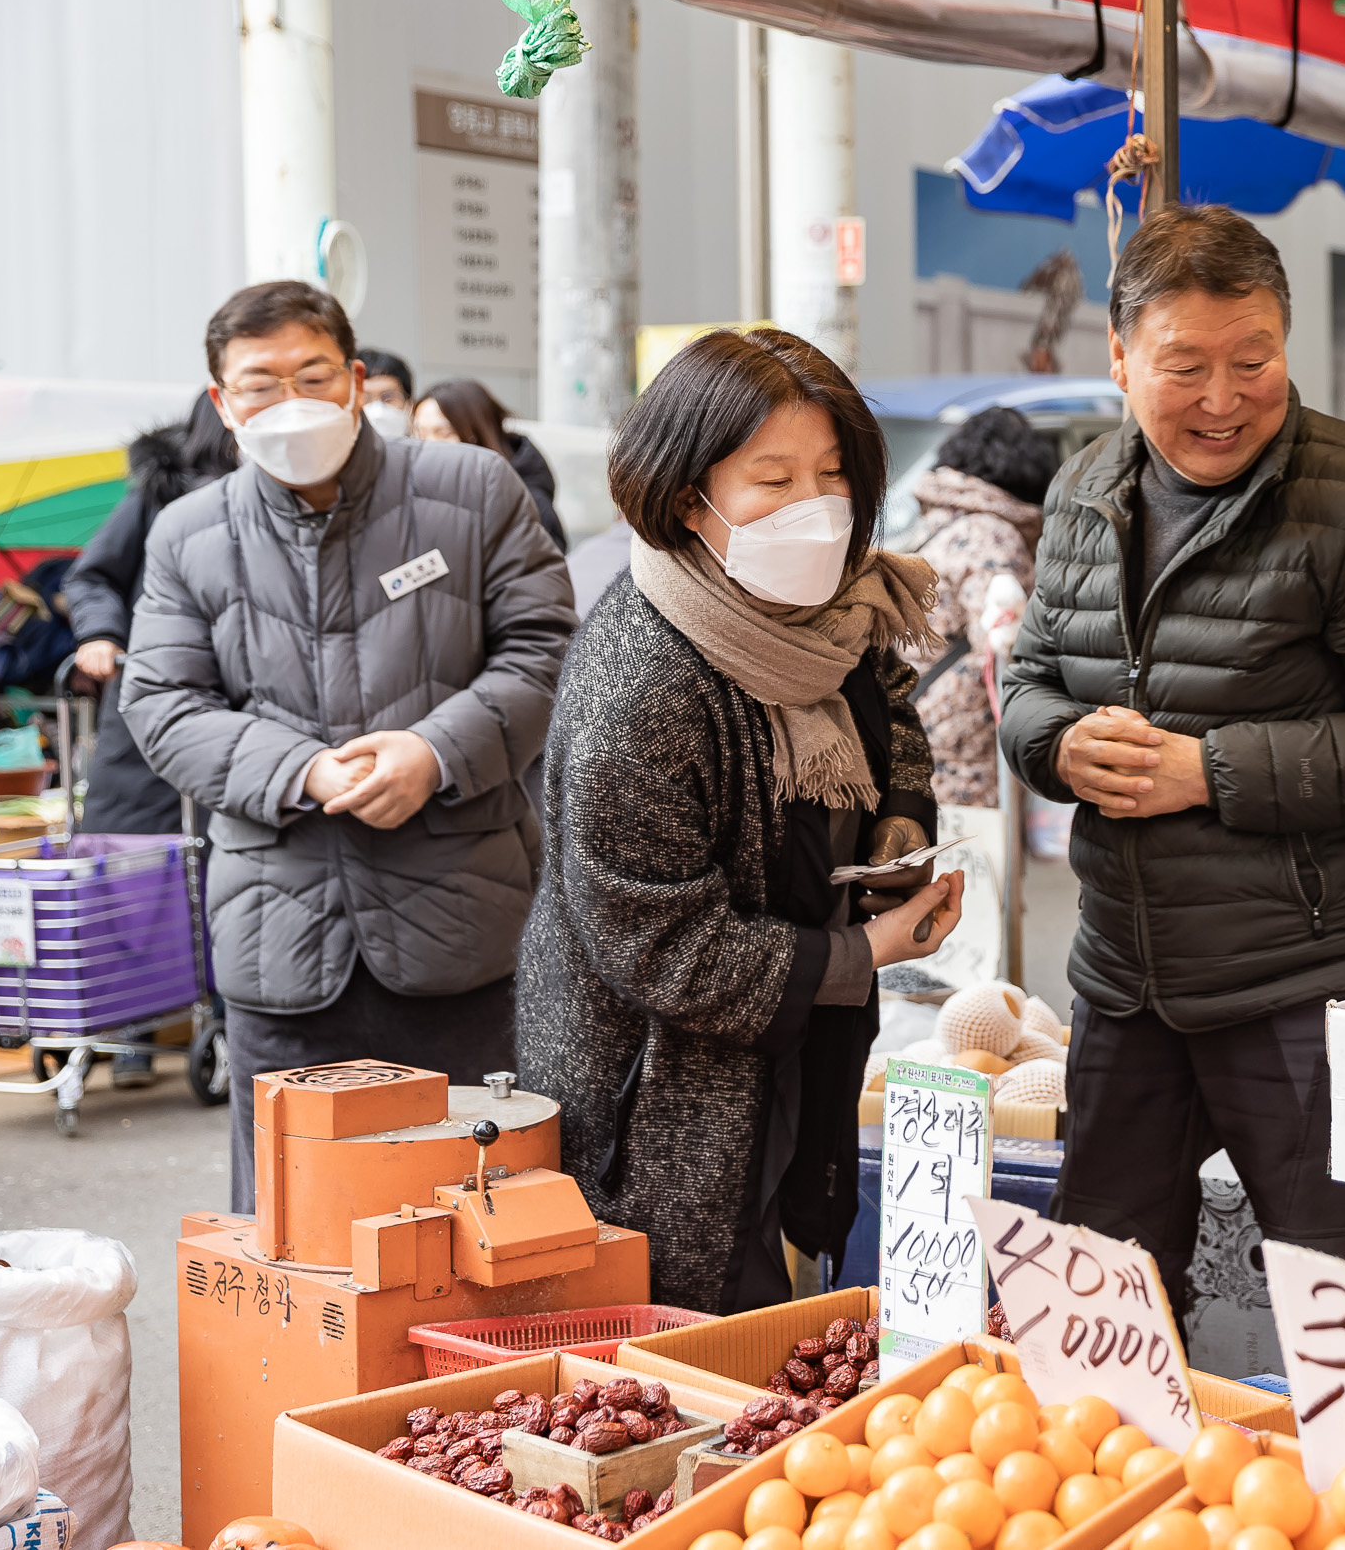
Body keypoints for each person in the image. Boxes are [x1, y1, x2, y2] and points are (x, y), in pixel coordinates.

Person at [998, 205, 1345, 1306]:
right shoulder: (1083, 491)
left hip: (1310, 988)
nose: (1223, 399)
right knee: (1097, 1307)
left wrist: (1208, 770)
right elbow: (1025, 685)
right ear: (1120, 359)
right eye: (1185, 367)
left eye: (1252, 359)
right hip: (1127, 984)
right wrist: (1058, 745)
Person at [517, 328, 966, 1314]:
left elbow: (891, 714)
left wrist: (896, 828)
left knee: (794, 1315)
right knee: (701, 1351)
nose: (815, 507)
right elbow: (660, 943)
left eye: (833, 473)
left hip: (802, 1051)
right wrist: (867, 950)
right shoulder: (639, 683)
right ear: (690, 496)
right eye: (773, 479)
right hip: (665, 1094)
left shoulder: (839, 613)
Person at [123, 280, 575, 1206]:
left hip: (464, 929)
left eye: (312, 372)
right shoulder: (187, 533)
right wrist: (298, 770)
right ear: (221, 402)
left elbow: (550, 649)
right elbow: (162, 700)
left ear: (357, 380)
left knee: (481, 1207)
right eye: (258, 382)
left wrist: (435, 752)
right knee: (297, 1223)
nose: (288, 399)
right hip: (277, 937)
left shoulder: (472, 489)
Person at [60, 392, 240, 1088]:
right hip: (144, 712)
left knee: (230, 870)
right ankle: (130, 1028)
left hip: (238, 718)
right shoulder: (158, 490)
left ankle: (228, 1024)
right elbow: (93, 574)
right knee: (131, 870)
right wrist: (99, 635)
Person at [898, 406, 1059, 806]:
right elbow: (1007, 647)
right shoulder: (992, 534)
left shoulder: (938, 525)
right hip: (961, 751)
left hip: (917, 730)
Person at [413, 378, 569, 550]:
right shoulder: (418, 491)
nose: (428, 444)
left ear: (478, 433)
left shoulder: (528, 502)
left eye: (443, 433)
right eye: (420, 434)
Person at [354, 346, 415, 436]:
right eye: (364, 398)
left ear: (410, 407)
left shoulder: (428, 448)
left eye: (388, 398)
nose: (378, 412)